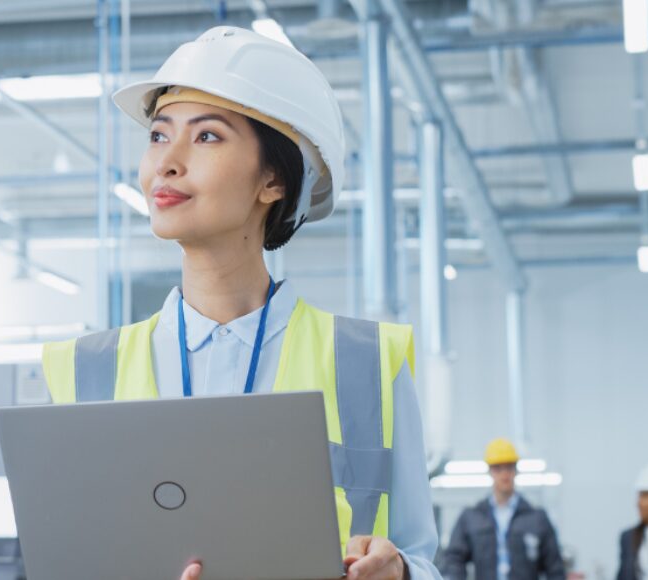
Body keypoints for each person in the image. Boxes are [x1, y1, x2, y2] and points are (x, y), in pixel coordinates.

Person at [39, 25, 440, 580]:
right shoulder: (85, 370)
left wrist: (400, 574)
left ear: (273, 178)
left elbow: (421, 557)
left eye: (206, 137)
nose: (168, 162)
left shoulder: (368, 364)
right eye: (158, 135)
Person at [439, 439, 567, 580]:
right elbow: (453, 559)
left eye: (509, 467)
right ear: (490, 471)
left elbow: (555, 569)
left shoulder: (537, 519)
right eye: (498, 468)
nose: (504, 474)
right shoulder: (473, 517)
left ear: (516, 470)